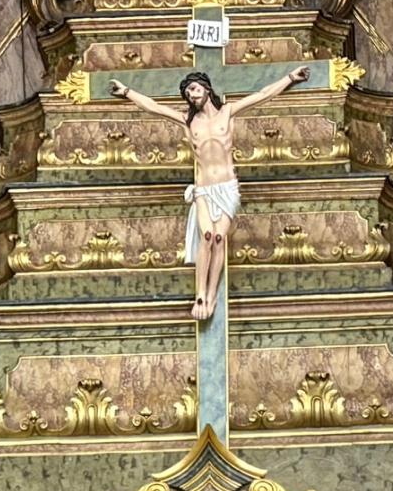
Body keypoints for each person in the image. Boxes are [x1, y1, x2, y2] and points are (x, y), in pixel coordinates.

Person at [108, 64, 311, 321]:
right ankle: (200, 294)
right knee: (206, 235)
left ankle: (212, 294)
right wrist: (126, 91)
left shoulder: (227, 112)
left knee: (218, 239)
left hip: (227, 188)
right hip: (203, 188)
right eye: (187, 93)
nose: (191, 95)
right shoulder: (188, 121)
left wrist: (291, 77)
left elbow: (262, 95)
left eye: (194, 89)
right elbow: (154, 108)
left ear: (206, 88)